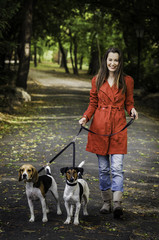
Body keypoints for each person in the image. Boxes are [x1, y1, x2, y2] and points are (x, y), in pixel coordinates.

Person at [79, 47, 138, 218]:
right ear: (105, 61)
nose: (113, 63)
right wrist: (85, 118)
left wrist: (132, 110)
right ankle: (106, 202)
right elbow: (93, 104)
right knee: (104, 169)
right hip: (99, 128)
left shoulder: (127, 81)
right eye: (110, 59)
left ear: (120, 62)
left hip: (118, 127)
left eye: (116, 60)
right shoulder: (97, 80)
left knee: (117, 168)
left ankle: (118, 204)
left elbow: (129, 103)